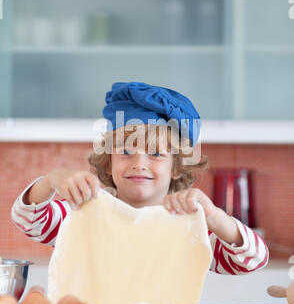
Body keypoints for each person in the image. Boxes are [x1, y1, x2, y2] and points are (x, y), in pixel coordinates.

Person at [11, 82, 268, 275]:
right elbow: (28, 219)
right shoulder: (83, 212)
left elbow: (252, 260)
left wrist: (212, 215)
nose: (139, 164)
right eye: (125, 152)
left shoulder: (190, 226)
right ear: (109, 162)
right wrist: (50, 180)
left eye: (156, 154)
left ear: (176, 167)